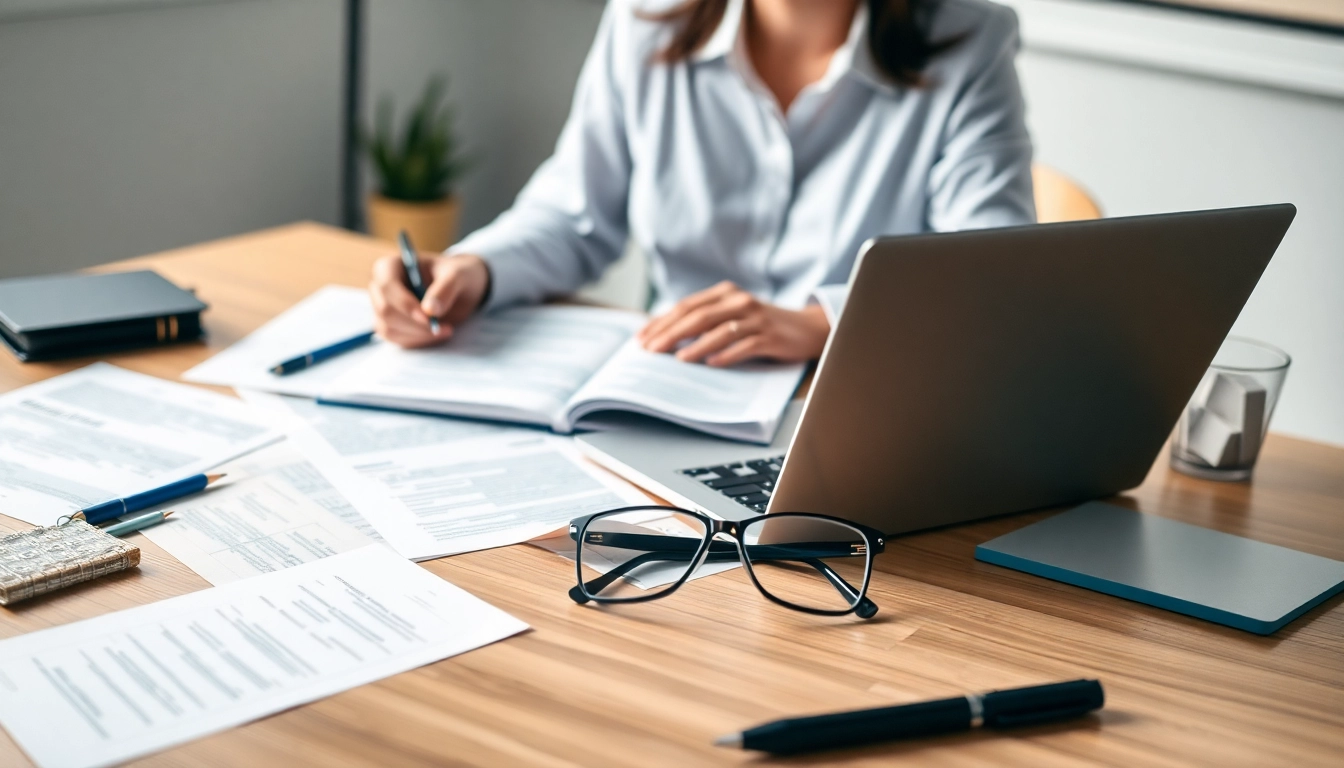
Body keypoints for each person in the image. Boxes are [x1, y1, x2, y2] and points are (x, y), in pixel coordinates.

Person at [370, 0, 1034, 367]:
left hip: (858, 409)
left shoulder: (969, 43)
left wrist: (820, 324)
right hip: (675, 386)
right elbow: (574, 213)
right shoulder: (645, 19)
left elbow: (990, 279)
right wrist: (472, 270)